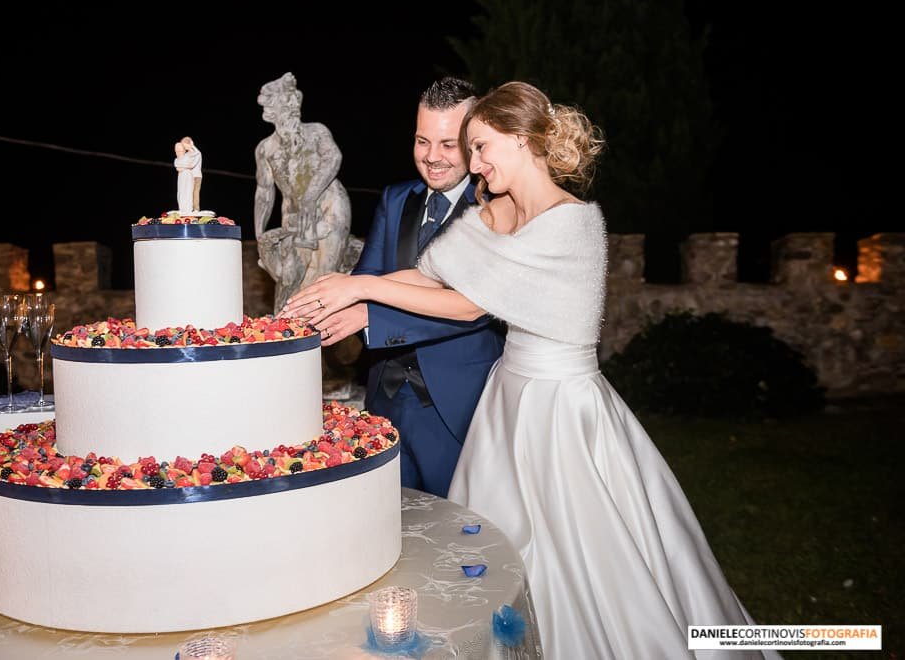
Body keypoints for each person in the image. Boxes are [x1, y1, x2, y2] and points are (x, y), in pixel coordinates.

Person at [282, 81, 778, 659]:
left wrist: (363, 286)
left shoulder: (574, 223)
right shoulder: (497, 212)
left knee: (577, 547)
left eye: (483, 147)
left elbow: (468, 302)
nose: (475, 163)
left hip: (561, 406)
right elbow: (433, 274)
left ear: (521, 141)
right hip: (508, 398)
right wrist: (347, 289)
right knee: (490, 544)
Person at [308, 77, 504, 499]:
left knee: (464, 535)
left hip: (460, 406)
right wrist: (323, 314)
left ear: (474, 144)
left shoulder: (494, 209)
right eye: (421, 141)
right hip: (386, 400)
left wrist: (368, 315)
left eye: (447, 144)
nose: (431, 157)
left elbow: (475, 309)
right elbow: (369, 279)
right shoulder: (396, 199)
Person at [253, 72, 352, 312]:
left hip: (329, 204)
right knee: (289, 284)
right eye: (284, 103)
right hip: (294, 216)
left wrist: (311, 195)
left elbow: (333, 157)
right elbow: (265, 192)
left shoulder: (316, 131)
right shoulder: (266, 148)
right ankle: (288, 340)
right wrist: (259, 234)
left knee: (323, 282)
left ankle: (318, 342)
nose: (293, 107)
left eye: (292, 101)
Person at [173, 141, 197, 213]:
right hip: (181, 178)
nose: (178, 152)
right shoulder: (176, 160)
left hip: (188, 177)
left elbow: (191, 165)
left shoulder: (188, 156)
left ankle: (188, 209)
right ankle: (182, 208)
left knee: (188, 191)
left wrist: (190, 146)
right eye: (176, 151)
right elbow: (178, 167)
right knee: (181, 192)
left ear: (184, 150)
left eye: (180, 150)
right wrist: (185, 166)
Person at [181, 136, 203, 211]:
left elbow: (192, 165)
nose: (184, 147)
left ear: (190, 143)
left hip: (196, 176)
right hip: (188, 176)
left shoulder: (197, 153)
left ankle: (196, 209)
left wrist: (183, 166)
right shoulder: (187, 154)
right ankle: (188, 208)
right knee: (188, 192)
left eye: (185, 145)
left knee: (195, 193)